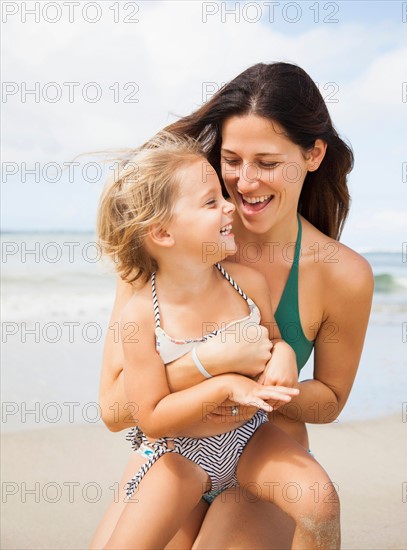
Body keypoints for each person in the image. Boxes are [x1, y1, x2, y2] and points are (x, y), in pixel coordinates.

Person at [90, 62, 374, 549]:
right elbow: (117, 412)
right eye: (232, 160)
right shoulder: (164, 245)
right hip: (172, 452)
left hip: (262, 453)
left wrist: (261, 382)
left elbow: (328, 400)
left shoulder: (342, 274)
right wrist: (212, 365)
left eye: (267, 163)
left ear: (313, 155)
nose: (244, 184)